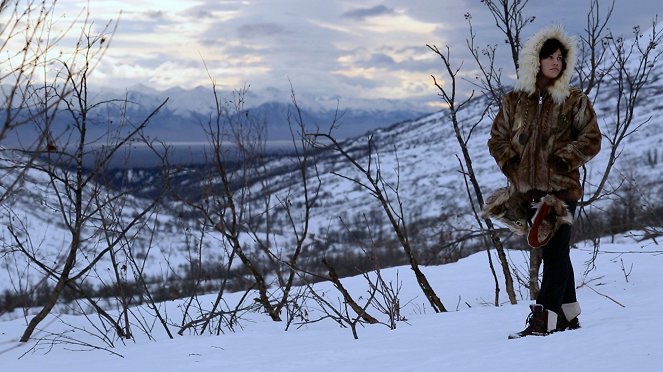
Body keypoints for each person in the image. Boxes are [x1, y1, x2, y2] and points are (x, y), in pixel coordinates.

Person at [485, 25, 602, 338]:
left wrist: (563, 159)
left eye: (560, 57)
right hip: (529, 190)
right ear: (534, 60)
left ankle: (543, 317)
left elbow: (591, 139)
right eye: (549, 56)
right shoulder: (514, 101)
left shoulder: (574, 100)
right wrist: (513, 165)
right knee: (556, 251)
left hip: (562, 190)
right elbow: (497, 138)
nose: (556, 62)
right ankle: (568, 312)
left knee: (553, 250)